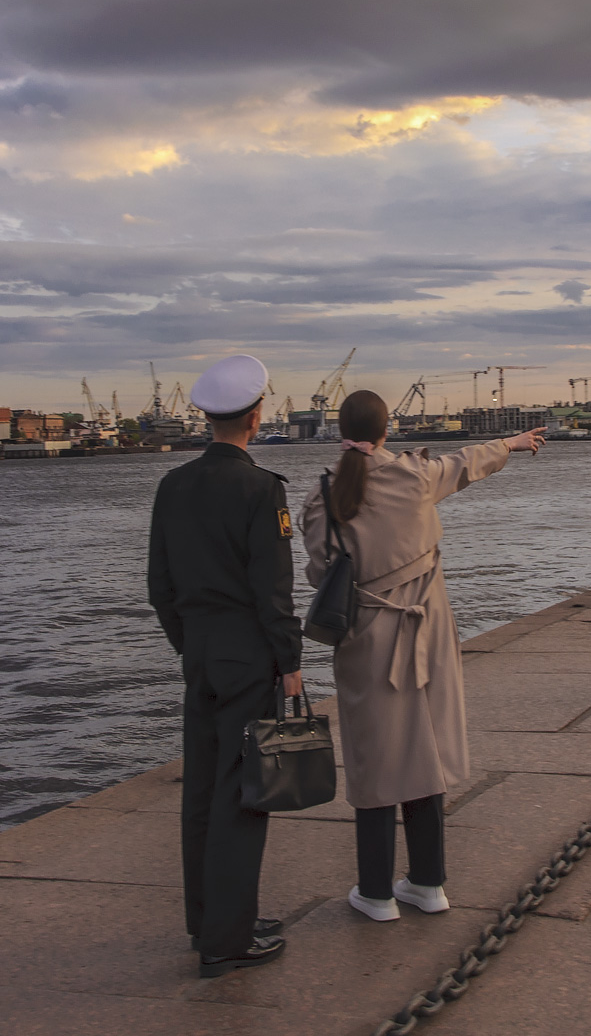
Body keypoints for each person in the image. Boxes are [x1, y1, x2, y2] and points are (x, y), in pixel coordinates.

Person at [300, 391, 546, 923]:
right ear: (388, 430)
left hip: (365, 642)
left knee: (374, 757)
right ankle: (429, 883)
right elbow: (466, 463)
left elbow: (320, 576)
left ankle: (375, 892)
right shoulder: (416, 478)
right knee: (424, 751)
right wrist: (512, 441)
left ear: (342, 430)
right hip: (426, 635)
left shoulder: (324, 497)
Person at [148, 355, 303, 978]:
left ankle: (208, 921)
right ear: (257, 417)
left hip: (201, 654)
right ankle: (228, 940)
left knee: (202, 791)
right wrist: (288, 663)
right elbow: (273, 592)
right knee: (243, 794)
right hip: (247, 656)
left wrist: (190, 644)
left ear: (208, 417)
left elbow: (159, 586)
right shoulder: (263, 489)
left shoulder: (173, 486)